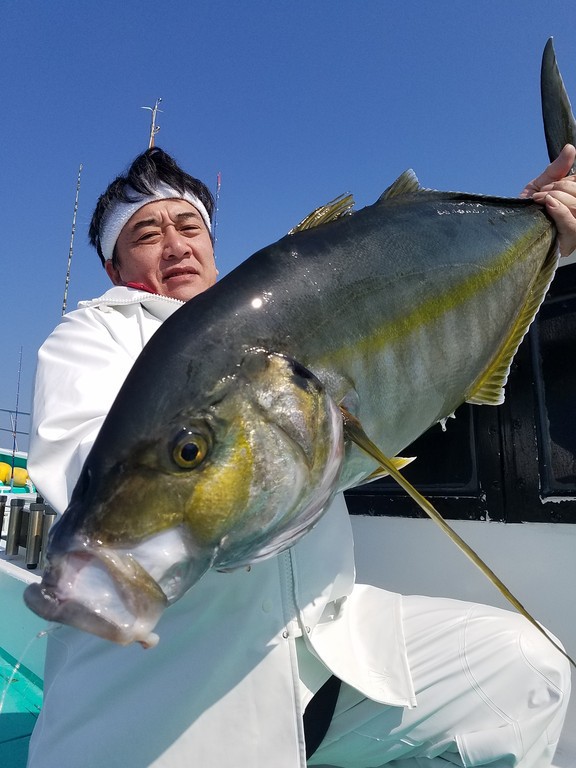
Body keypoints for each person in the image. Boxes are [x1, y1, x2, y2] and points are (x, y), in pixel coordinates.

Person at [26, 145, 576, 768]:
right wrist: (129, 541)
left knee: (527, 671)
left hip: (331, 653)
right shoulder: (96, 335)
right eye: (147, 234)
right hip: (178, 689)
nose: (175, 246)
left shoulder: (279, 311)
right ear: (112, 263)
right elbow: (80, 456)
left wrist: (540, 229)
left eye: (189, 227)